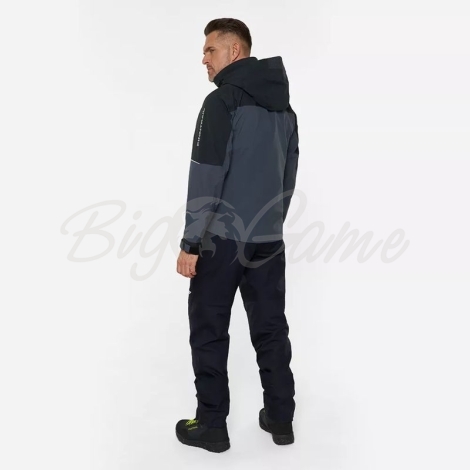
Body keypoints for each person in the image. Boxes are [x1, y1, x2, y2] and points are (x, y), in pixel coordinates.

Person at [175, 18, 299, 453]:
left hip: (221, 243)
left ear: (235, 51)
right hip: (268, 240)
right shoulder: (284, 109)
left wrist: (191, 243)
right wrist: (271, 226)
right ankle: (280, 418)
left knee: (209, 330)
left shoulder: (221, 103)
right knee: (271, 329)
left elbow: (206, 177)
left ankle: (211, 426)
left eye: (211, 50)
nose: (204, 59)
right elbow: (287, 178)